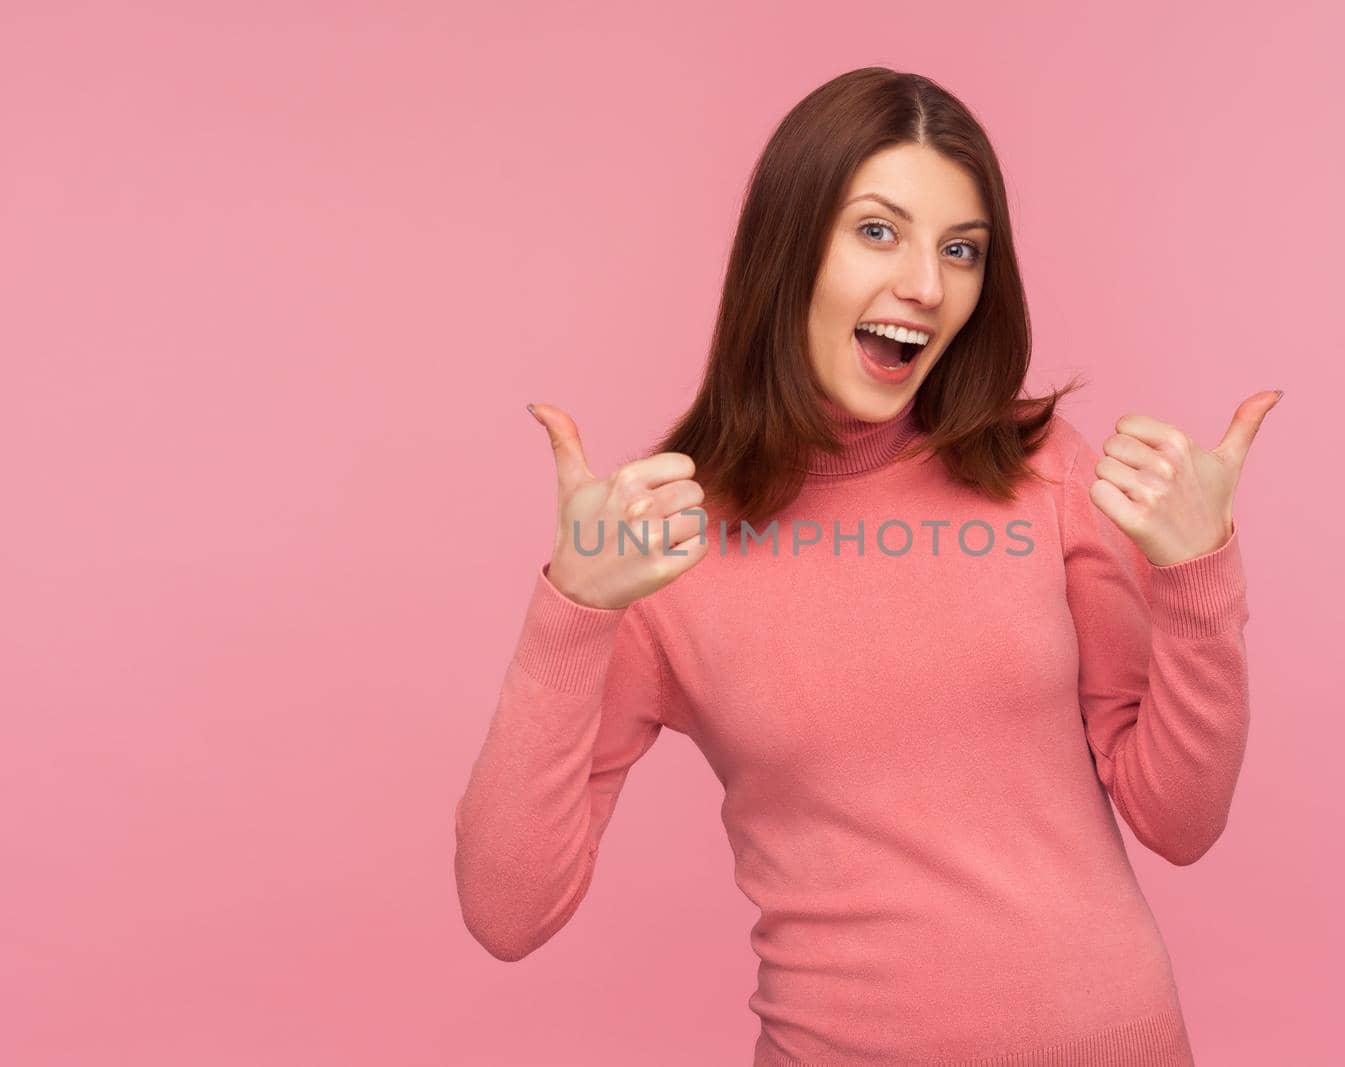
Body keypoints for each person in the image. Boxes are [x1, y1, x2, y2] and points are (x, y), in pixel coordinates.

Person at [454, 66, 1281, 1066]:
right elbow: (507, 910)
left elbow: (1179, 818)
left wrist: (1196, 579)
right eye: (878, 231)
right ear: (788, 245)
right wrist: (570, 610)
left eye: (961, 249)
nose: (927, 286)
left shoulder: (1040, 469)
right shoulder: (662, 543)